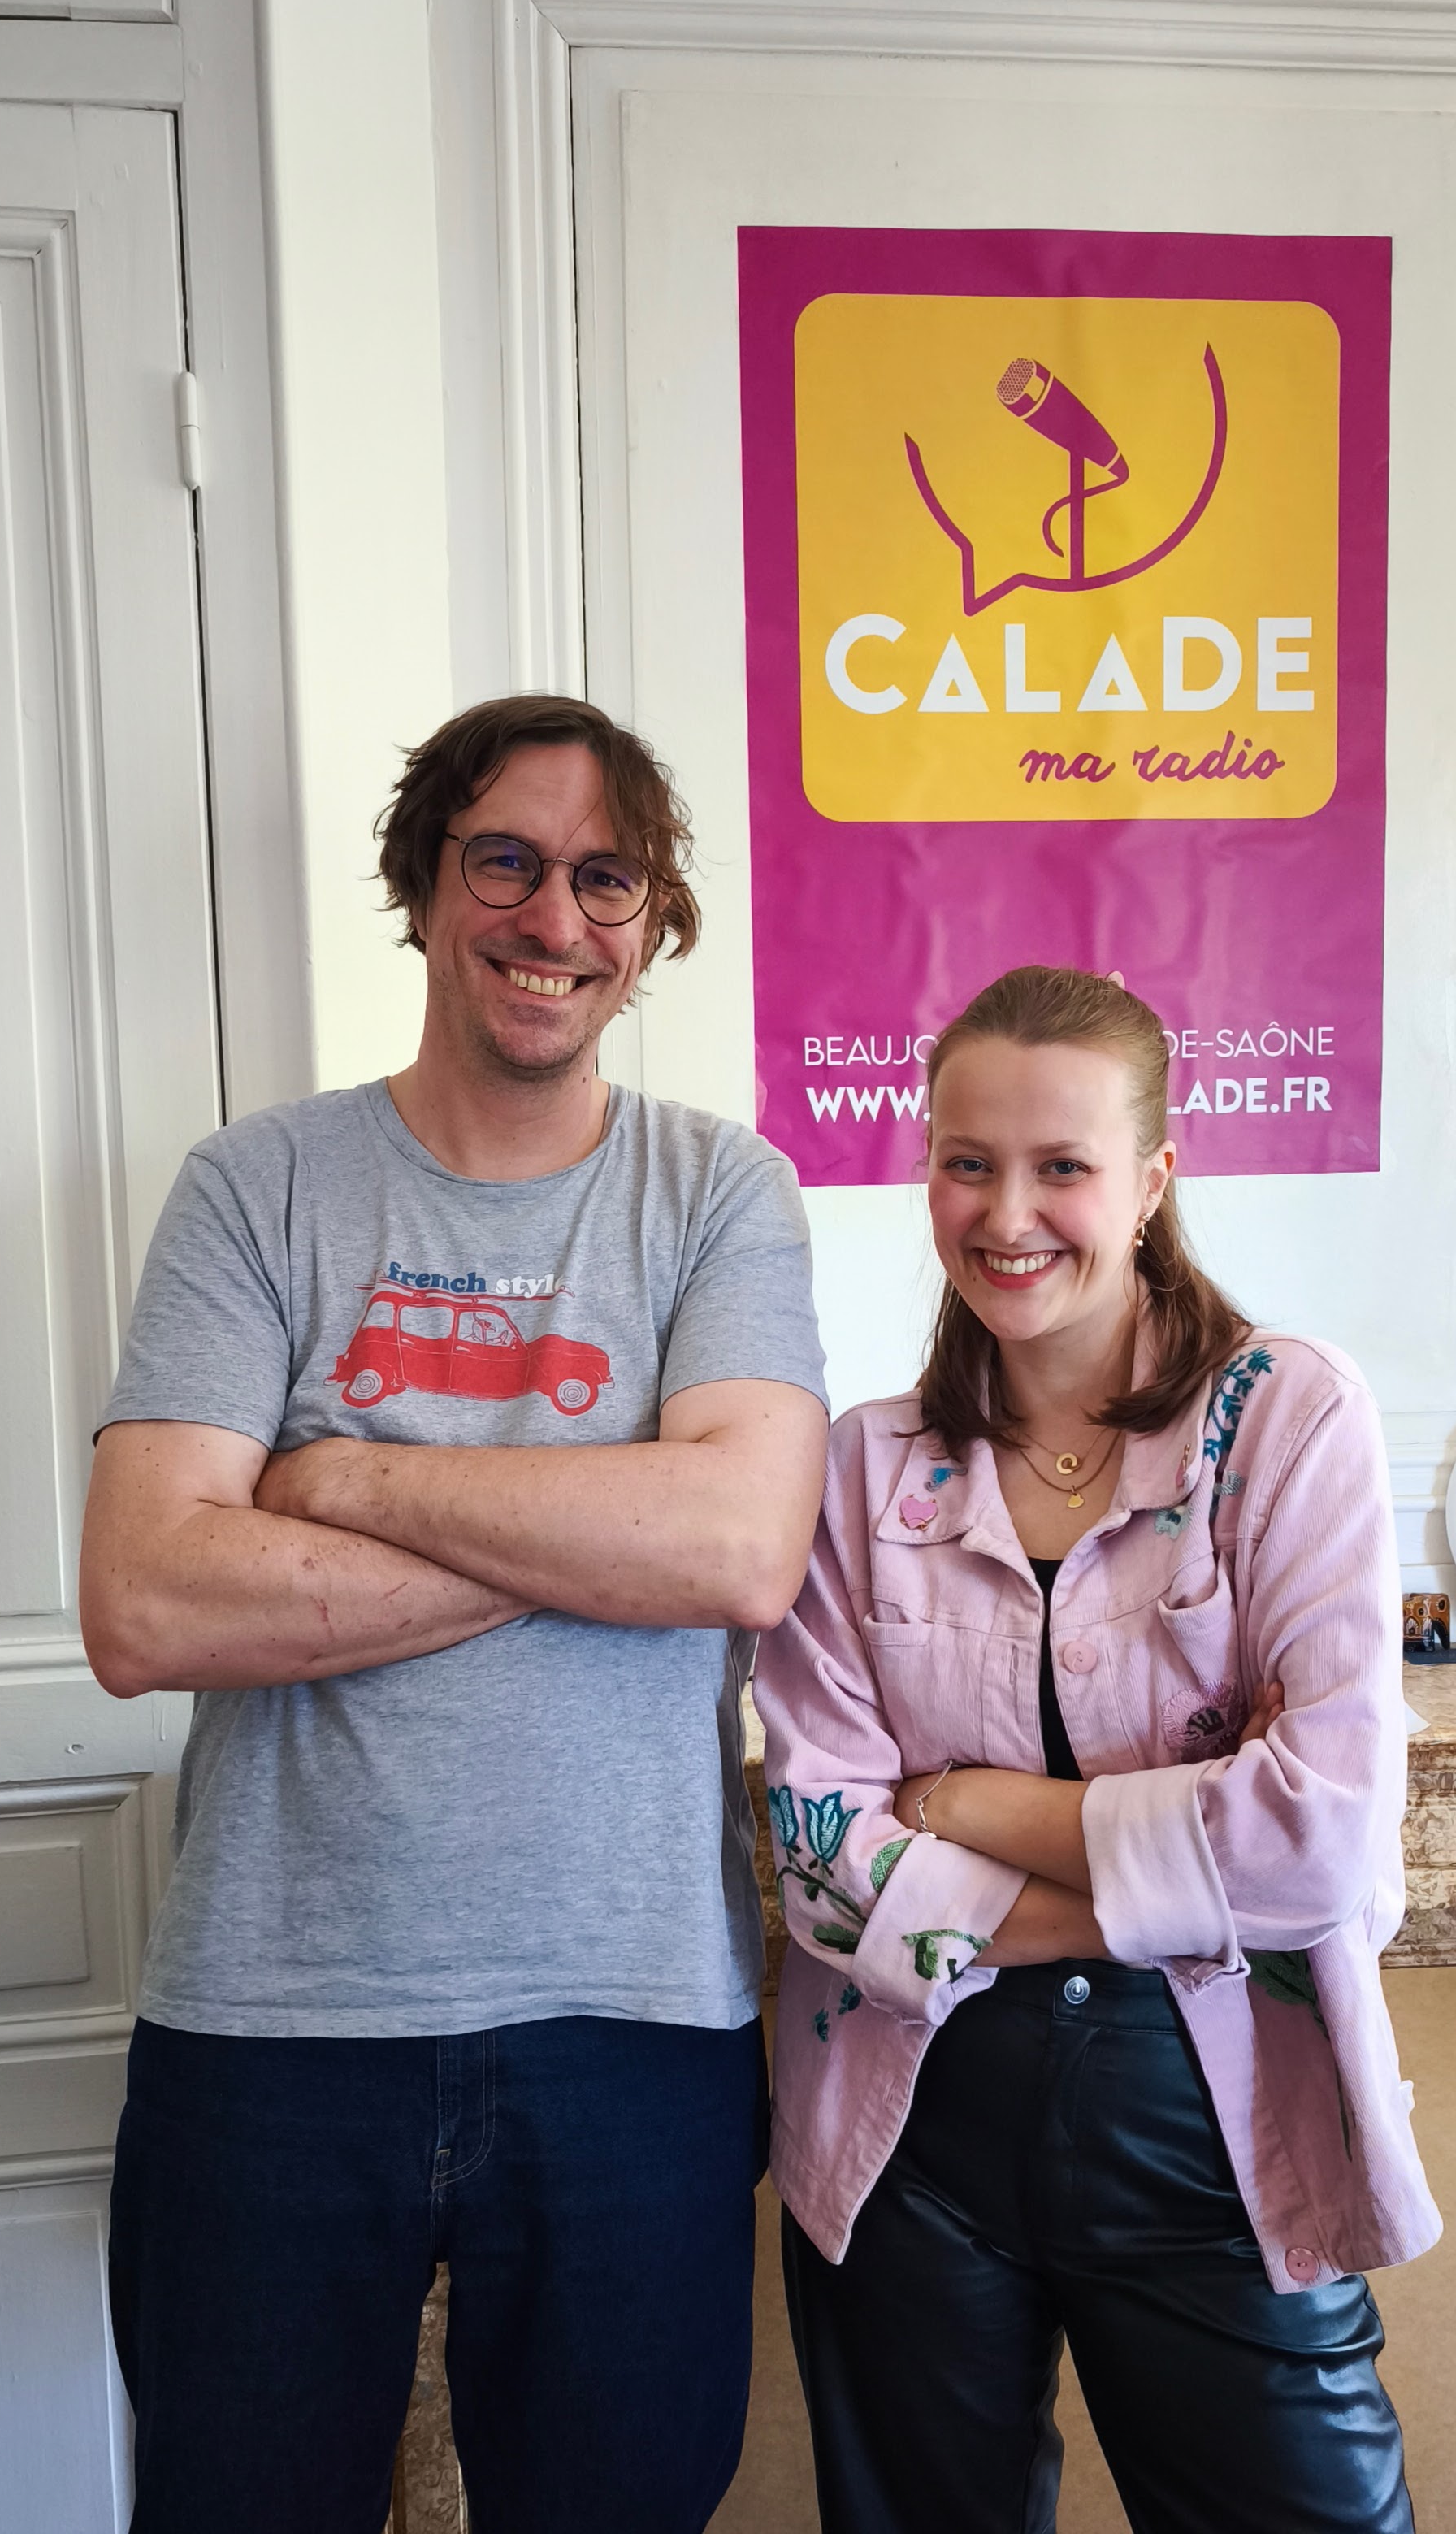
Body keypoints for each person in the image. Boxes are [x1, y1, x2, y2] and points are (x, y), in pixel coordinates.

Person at [80, 695, 830, 2534]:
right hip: (266, 2025)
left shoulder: (718, 1190)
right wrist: (598, 1524)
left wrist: (339, 1478)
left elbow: (741, 1550)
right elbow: (147, 1598)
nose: (552, 918)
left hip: (633, 2025)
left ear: (649, 926)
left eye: (606, 879)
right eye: (505, 860)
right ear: (425, 884)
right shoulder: (257, 1187)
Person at [753, 965, 1439, 2534]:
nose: (1008, 1215)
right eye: (967, 1162)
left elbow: (1321, 1844)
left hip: (1218, 2122)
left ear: (1152, 1181)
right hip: (907, 2130)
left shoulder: (1286, 1420)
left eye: (1062, 1165)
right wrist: (1179, 1873)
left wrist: (972, 1805)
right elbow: (826, 1866)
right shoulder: (857, 1469)